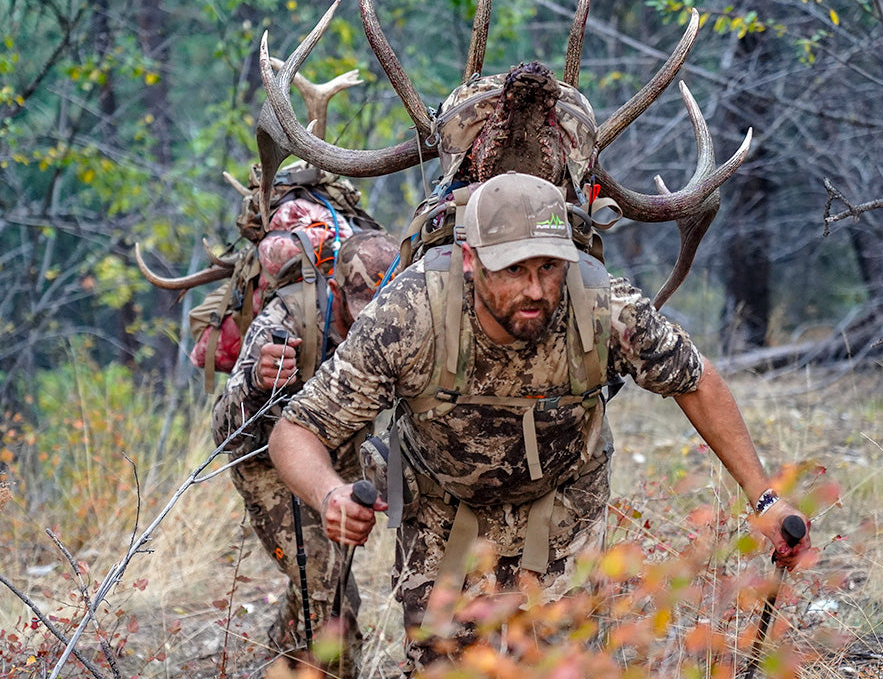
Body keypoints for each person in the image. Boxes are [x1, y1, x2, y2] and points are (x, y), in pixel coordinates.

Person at [268, 171, 813, 672]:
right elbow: (296, 430)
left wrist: (765, 499)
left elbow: (696, 380)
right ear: (469, 259)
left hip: (563, 511)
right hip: (442, 516)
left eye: (548, 268)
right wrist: (331, 495)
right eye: (513, 270)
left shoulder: (600, 304)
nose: (535, 290)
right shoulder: (409, 315)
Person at [211, 228, 400, 675]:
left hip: (340, 458)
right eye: (359, 315)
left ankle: (285, 652)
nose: (370, 327)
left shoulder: (402, 316)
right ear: (334, 290)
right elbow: (222, 432)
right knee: (331, 588)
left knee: (320, 577)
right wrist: (258, 381)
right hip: (269, 466)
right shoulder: (285, 321)